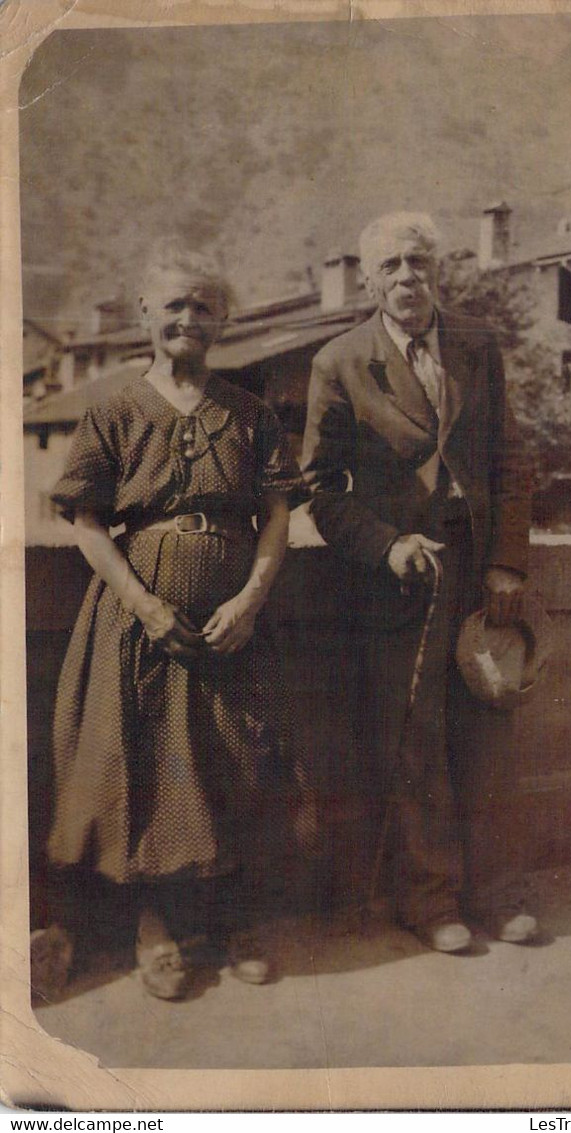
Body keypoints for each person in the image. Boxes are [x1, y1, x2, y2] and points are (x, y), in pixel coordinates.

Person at [31, 243, 310, 1001]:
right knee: (149, 766)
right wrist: (146, 604)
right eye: (175, 305)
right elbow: (89, 524)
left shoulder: (249, 413)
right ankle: (153, 925)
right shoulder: (115, 408)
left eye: (204, 306)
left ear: (223, 319)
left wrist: (248, 601)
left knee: (235, 761)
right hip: (141, 621)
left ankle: (225, 923)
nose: (189, 318)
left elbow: (279, 515)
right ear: (147, 313)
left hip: (232, 618)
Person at [301, 212, 537, 953]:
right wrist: (385, 544)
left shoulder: (476, 345)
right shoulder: (339, 362)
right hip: (396, 577)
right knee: (415, 739)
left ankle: (498, 895)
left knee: (487, 728)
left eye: (419, 262)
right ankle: (430, 902)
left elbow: (509, 457)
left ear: (439, 272)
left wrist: (506, 558)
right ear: (369, 279)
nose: (407, 277)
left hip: (475, 571)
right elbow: (321, 487)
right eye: (391, 265)